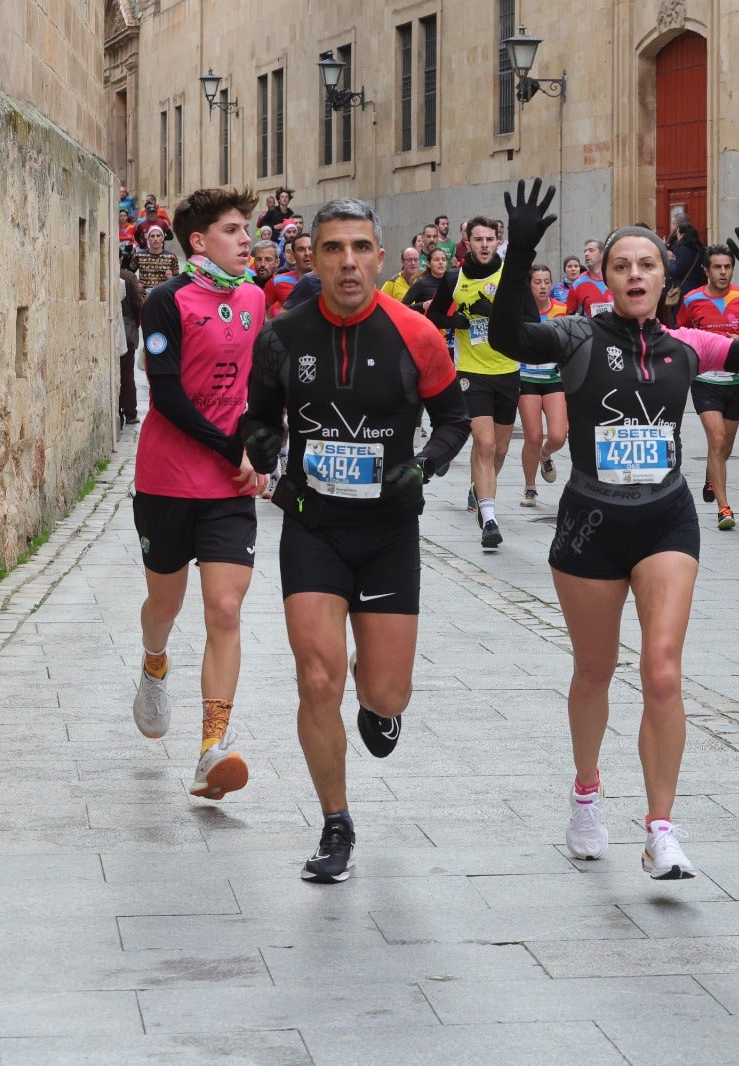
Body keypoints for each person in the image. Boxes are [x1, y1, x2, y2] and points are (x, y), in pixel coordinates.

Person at [489, 179, 739, 879]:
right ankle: (585, 791)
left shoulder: (689, 345)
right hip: (588, 525)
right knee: (595, 670)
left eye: (648, 265)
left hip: (665, 519)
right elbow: (507, 336)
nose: (635, 274)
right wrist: (518, 255)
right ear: (606, 279)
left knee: (662, 671)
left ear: (667, 279)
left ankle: (661, 827)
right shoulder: (576, 336)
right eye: (622, 265)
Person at [241, 198, 471, 883]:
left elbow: (454, 419)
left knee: (387, 691)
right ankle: (336, 822)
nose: (348, 262)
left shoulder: (416, 333)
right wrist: (263, 448)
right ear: (312, 255)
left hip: (388, 530)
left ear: (379, 255)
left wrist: (423, 467)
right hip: (313, 524)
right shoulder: (284, 335)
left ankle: (382, 708)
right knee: (317, 679)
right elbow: (257, 417)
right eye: (334, 248)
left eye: (361, 247)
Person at [130, 186, 270, 801]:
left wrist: (260, 450)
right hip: (166, 478)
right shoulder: (166, 301)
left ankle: (212, 746)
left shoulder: (256, 299)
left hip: (228, 485)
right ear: (199, 241)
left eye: (248, 231)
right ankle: (154, 663)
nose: (248, 241)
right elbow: (167, 396)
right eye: (235, 230)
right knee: (166, 602)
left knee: (226, 609)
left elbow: (258, 388)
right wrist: (229, 448)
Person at [427, 215, 537, 549]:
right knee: (485, 443)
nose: (485, 245)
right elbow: (433, 316)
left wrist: (500, 314)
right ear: (468, 242)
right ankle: (489, 518)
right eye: (478, 240)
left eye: (490, 239)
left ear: (497, 241)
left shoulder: (512, 278)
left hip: (506, 371)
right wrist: (454, 319)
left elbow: (533, 320)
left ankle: (480, 488)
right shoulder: (453, 278)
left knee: (500, 449)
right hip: (471, 373)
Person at [680, 243, 739, 530]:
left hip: (736, 380)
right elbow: (682, 332)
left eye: (727, 267)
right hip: (705, 381)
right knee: (717, 440)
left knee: (725, 446)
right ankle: (724, 508)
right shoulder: (691, 299)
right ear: (706, 271)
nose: (723, 272)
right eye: (717, 267)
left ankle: (711, 476)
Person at [518, 264, 569, 507]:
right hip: (526, 378)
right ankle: (530, 488)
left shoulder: (562, 310)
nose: (542, 286)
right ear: (529, 286)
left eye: (546, 281)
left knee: (558, 436)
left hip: (553, 378)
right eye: (537, 281)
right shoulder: (520, 312)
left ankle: (545, 456)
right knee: (534, 436)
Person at [118, 248, 144, 426]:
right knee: (127, 374)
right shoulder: (128, 277)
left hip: (119, 326)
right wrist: (136, 323)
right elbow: (137, 304)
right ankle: (130, 412)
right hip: (127, 328)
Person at [565, 238, 613, 317]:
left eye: (591, 250)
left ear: (602, 254)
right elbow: (569, 317)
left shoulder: (616, 279)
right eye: (585, 251)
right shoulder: (577, 284)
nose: (586, 254)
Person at [134, 226, 181, 291]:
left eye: (158, 236)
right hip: (144, 297)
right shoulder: (139, 256)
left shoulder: (172, 257)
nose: (155, 239)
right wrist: (135, 283)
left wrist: (171, 278)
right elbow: (129, 273)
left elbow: (177, 280)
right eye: (152, 236)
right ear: (148, 238)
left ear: (162, 238)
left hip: (163, 296)